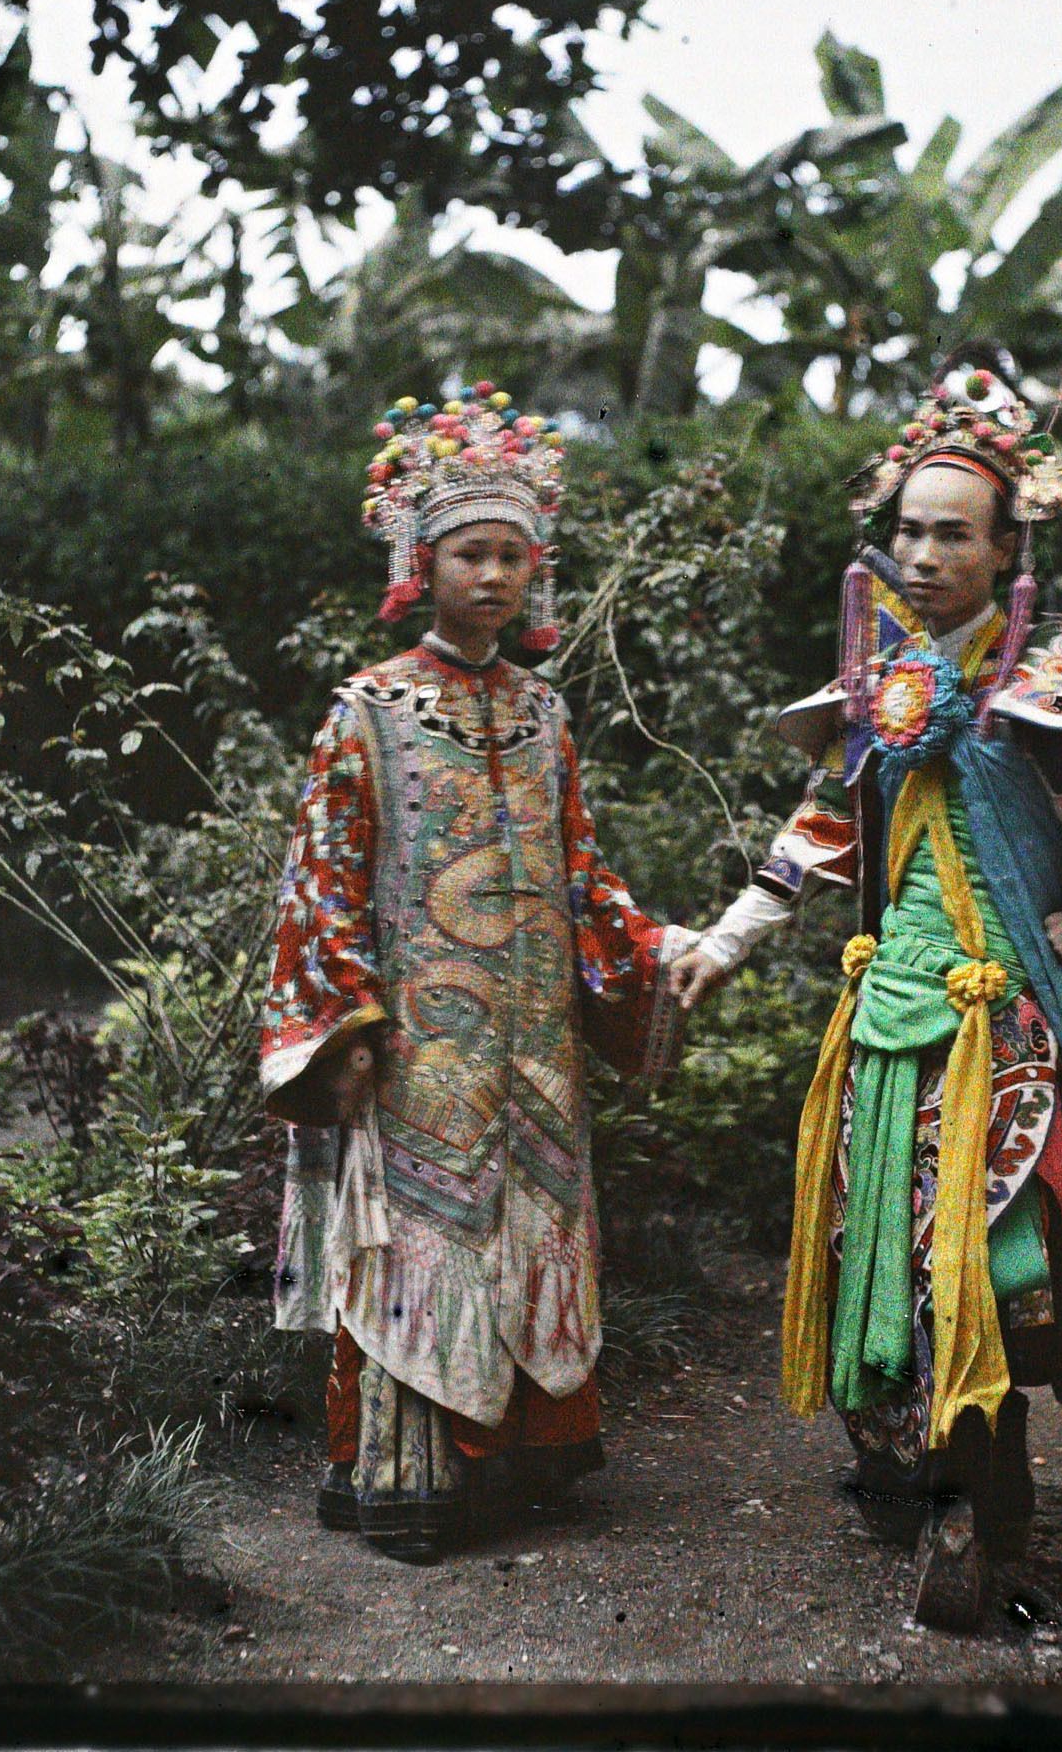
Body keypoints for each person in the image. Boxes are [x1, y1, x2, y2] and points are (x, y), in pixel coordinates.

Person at [669, 273, 1062, 1630]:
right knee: (871, 1246)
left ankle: (978, 1507)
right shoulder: (874, 683)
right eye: (905, 530)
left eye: (951, 534)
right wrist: (727, 937)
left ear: (1005, 547)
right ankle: (914, 1473)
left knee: (996, 1271)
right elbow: (820, 825)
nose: (923, 553)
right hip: (885, 1024)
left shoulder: (1058, 682)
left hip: (1003, 1030)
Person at [260, 383, 692, 1563]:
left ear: (535, 570)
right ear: (420, 559)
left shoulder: (547, 711)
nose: (492, 575)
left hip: (536, 1040)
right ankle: (407, 1480)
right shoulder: (367, 711)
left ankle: (530, 1465)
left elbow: (582, 872)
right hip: (417, 1046)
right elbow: (322, 878)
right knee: (422, 1233)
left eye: (512, 553)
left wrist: (650, 954)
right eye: (468, 552)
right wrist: (340, 1026)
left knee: (527, 1219)